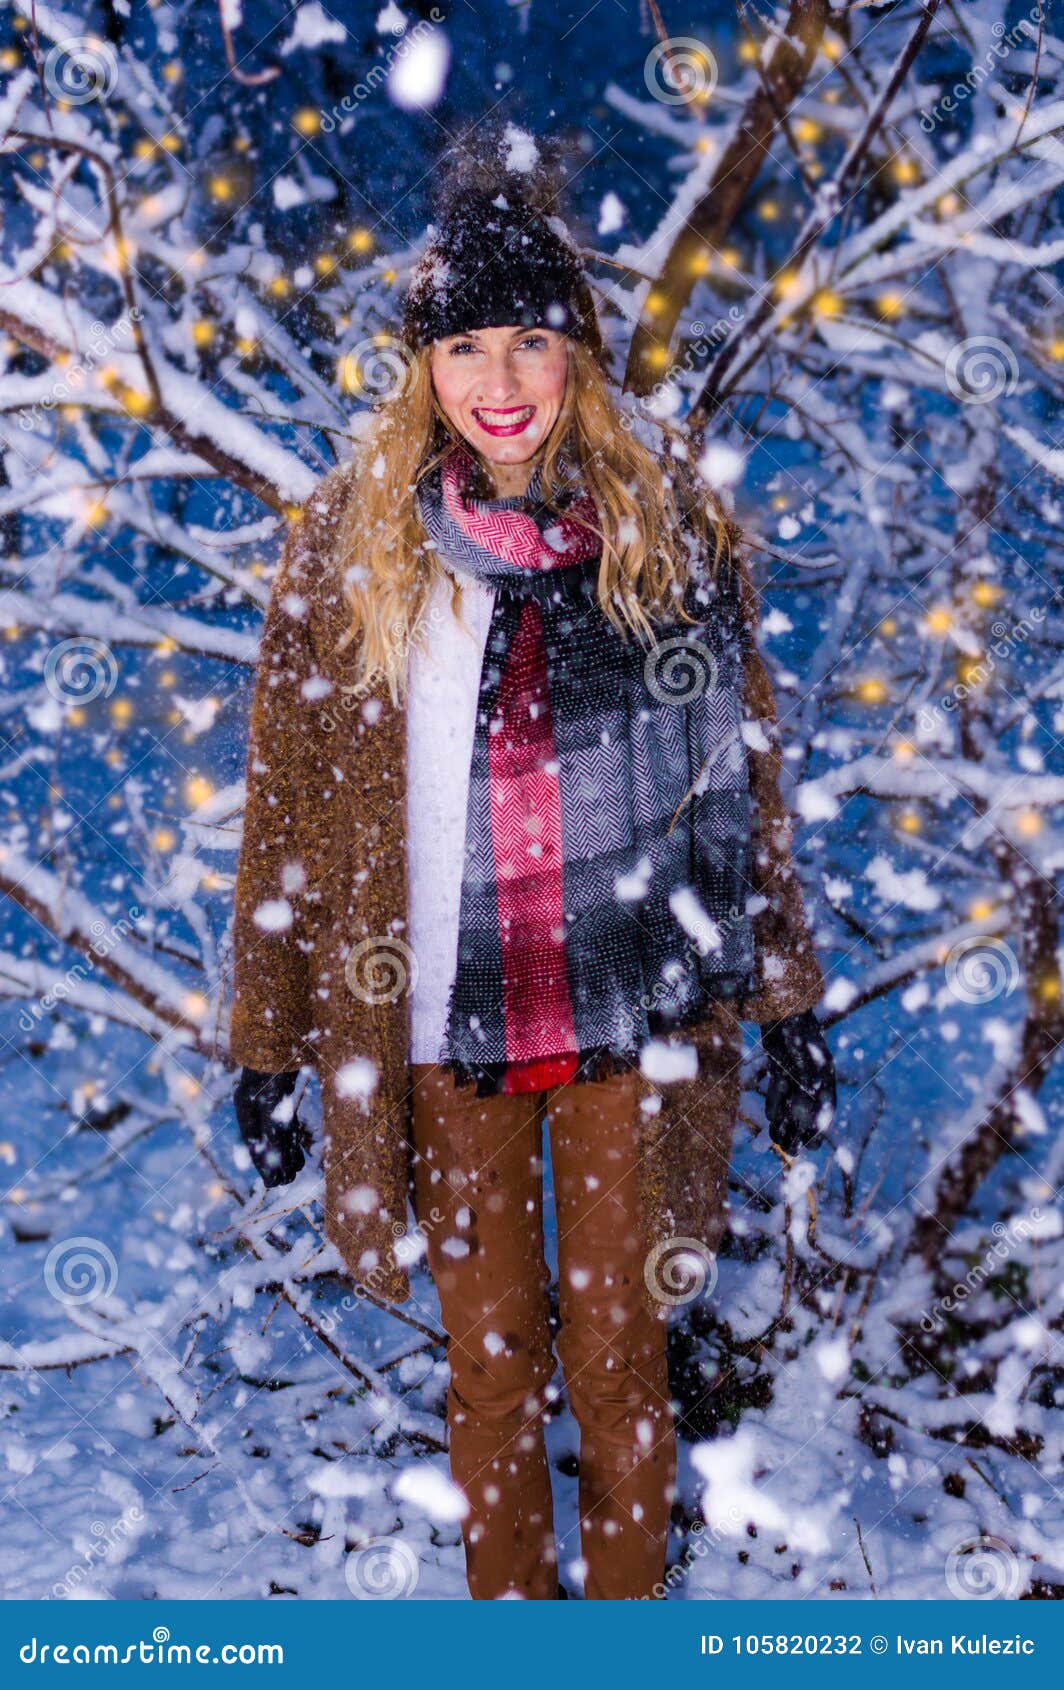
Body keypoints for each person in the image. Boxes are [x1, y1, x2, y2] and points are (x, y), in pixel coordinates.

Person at [229, 126, 835, 1601]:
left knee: (624, 1367)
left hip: (635, 1018)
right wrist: (269, 1039)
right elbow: (292, 808)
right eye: (462, 349)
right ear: (419, 369)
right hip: (442, 1026)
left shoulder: (667, 533)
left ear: (577, 353)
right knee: (494, 1377)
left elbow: (738, 786)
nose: (496, 385)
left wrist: (786, 998)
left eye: (526, 344)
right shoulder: (351, 550)